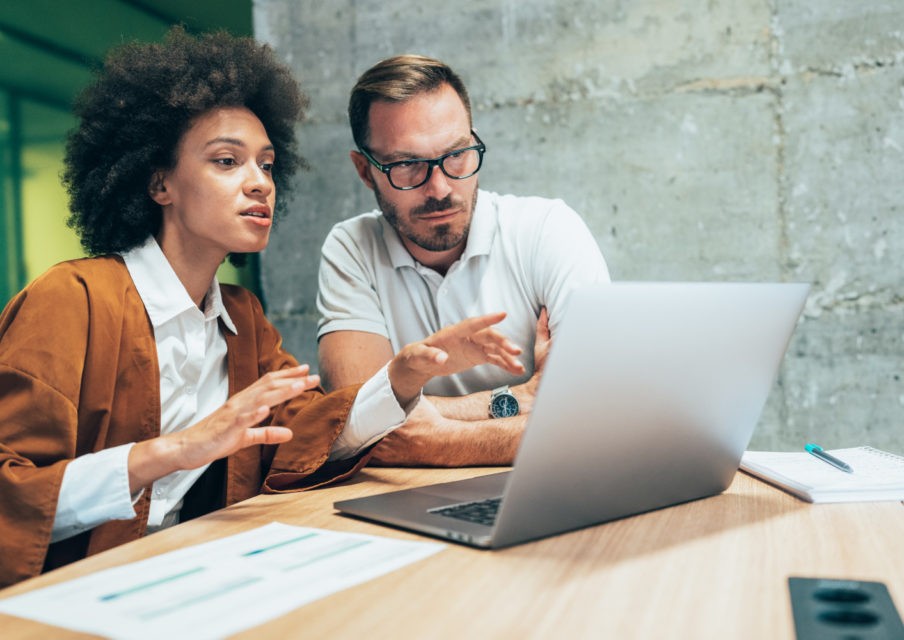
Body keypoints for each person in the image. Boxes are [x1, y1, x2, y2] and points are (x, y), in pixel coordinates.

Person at [0, 31, 524, 588]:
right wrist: (170, 452)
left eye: (268, 165)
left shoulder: (241, 318)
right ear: (159, 182)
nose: (260, 184)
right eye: (227, 161)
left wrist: (398, 378)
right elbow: (13, 493)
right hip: (74, 595)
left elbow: (302, 437)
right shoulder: (70, 299)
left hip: (195, 576)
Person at [317, 55, 610, 467]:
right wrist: (521, 398)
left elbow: (600, 415)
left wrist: (440, 440)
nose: (439, 188)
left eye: (457, 155)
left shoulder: (547, 229)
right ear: (365, 171)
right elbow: (351, 425)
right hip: (407, 499)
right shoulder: (352, 247)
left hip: (545, 482)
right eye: (406, 165)